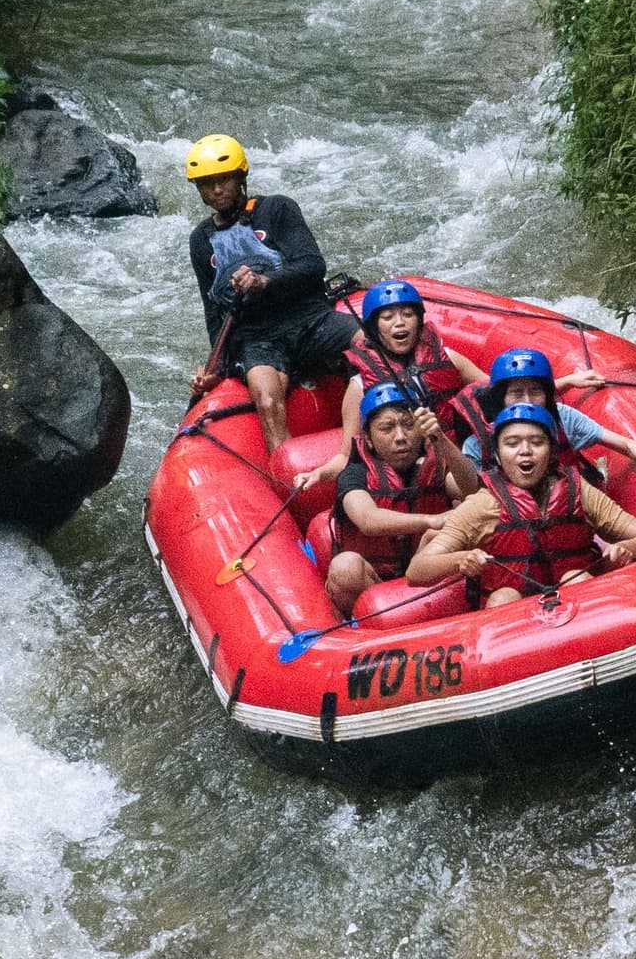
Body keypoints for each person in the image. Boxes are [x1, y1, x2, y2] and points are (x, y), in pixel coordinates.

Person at [182, 134, 354, 457]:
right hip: (257, 338)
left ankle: (371, 437)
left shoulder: (277, 209)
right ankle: (290, 478)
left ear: (241, 177)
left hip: (308, 317)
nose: (217, 190)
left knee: (367, 343)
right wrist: (216, 368)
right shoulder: (200, 241)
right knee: (266, 397)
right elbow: (213, 313)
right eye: (206, 184)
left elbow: (312, 265)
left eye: (223, 180)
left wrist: (265, 281)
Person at [406, 401, 636, 607]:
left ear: (551, 452)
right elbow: (416, 571)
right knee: (504, 597)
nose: (525, 451)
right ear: (497, 455)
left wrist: (624, 548)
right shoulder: (482, 505)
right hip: (509, 613)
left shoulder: (578, 491)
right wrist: (462, 559)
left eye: (537, 442)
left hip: (580, 607)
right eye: (512, 443)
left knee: (575, 581)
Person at [323, 382, 477, 618]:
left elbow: (472, 490)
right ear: (369, 439)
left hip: (427, 571)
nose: (400, 437)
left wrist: (442, 440)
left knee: (454, 529)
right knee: (345, 567)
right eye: (387, 428)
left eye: (408, 425)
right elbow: (368, 520)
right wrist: (430, 520)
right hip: (374, 583)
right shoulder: (354, 473)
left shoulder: (434, 466)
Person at [467, 347, 636, 485]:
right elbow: (465, 492)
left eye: (535, 392)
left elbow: (626, 444)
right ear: (501, 398)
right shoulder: (480, 440)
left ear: (547, 394)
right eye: (517, 393)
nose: (527, 401)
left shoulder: (564, 417)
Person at [337, 281, 487, 448]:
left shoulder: (448, 357)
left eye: (408, 315)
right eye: (387, 317)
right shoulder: (359, 386)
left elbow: (494, 390)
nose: (400, 322)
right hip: (408, 464)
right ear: (374, 328)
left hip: (459, 454)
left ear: (419, 321)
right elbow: (347, 454)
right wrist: (319, 473)